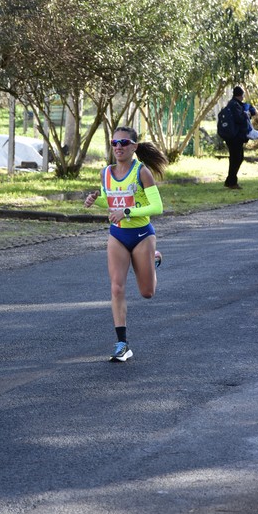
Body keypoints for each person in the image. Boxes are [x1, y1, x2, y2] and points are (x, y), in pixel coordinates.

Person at [84, 126, 167, 362]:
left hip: (142, 235)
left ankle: (153, 258)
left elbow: (157, 208)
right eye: (114, 143)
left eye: (124, 143)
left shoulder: (142, 172)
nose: (118, 147)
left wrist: (127, 211)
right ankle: (122, 344)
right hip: (118, 235)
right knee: (116, 287)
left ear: (134, 147)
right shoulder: (106, 173)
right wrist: (95, 200)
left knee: (147, 292)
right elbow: (110, 204)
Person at [224, 86, 256, 190]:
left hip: (231, 135)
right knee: (236, 158)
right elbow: (240, 118)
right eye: (242, 95)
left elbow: (251, 109)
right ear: (240, 95)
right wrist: (246, 114)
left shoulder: (233, 104)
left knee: (236, 158)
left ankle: (230, 181)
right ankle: (231, 182)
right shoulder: (235, 105)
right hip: (234, 136)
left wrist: (248, 111)